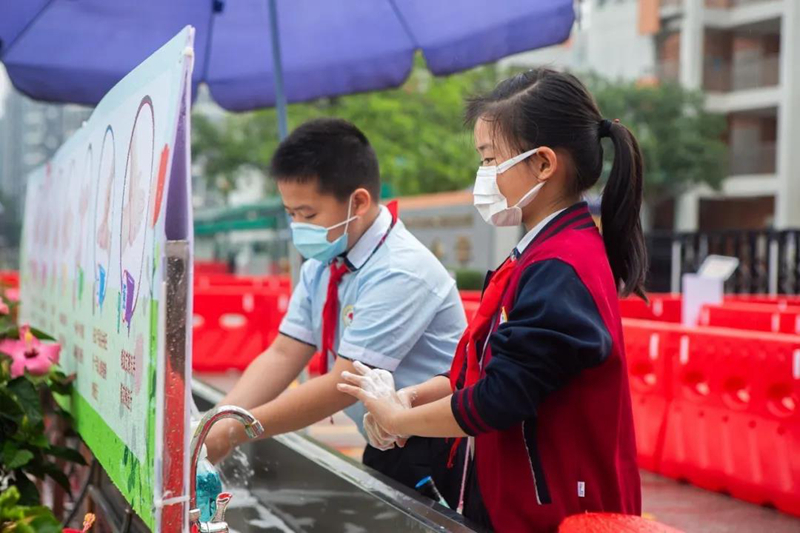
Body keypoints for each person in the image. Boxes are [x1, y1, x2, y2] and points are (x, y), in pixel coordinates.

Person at [339, 69, 645, 532]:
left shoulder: (560, 264)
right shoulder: (539, 254)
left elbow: (501, 397)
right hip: (522, 500)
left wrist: (400, 416)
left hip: (559, 514)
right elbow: (480, 372)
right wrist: (411, 399)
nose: (482, 176)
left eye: (489, 159)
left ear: (543, 164)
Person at [203, 118, 467, 495]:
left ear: (357, 202)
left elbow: (344, 384)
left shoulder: (400, 270)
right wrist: (217, 420)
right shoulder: (323, 264)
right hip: (384, 437)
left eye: (308, 215)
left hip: (435, 445)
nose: (298, 226)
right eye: (290, 213)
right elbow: (282, 353)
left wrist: (232, 432)